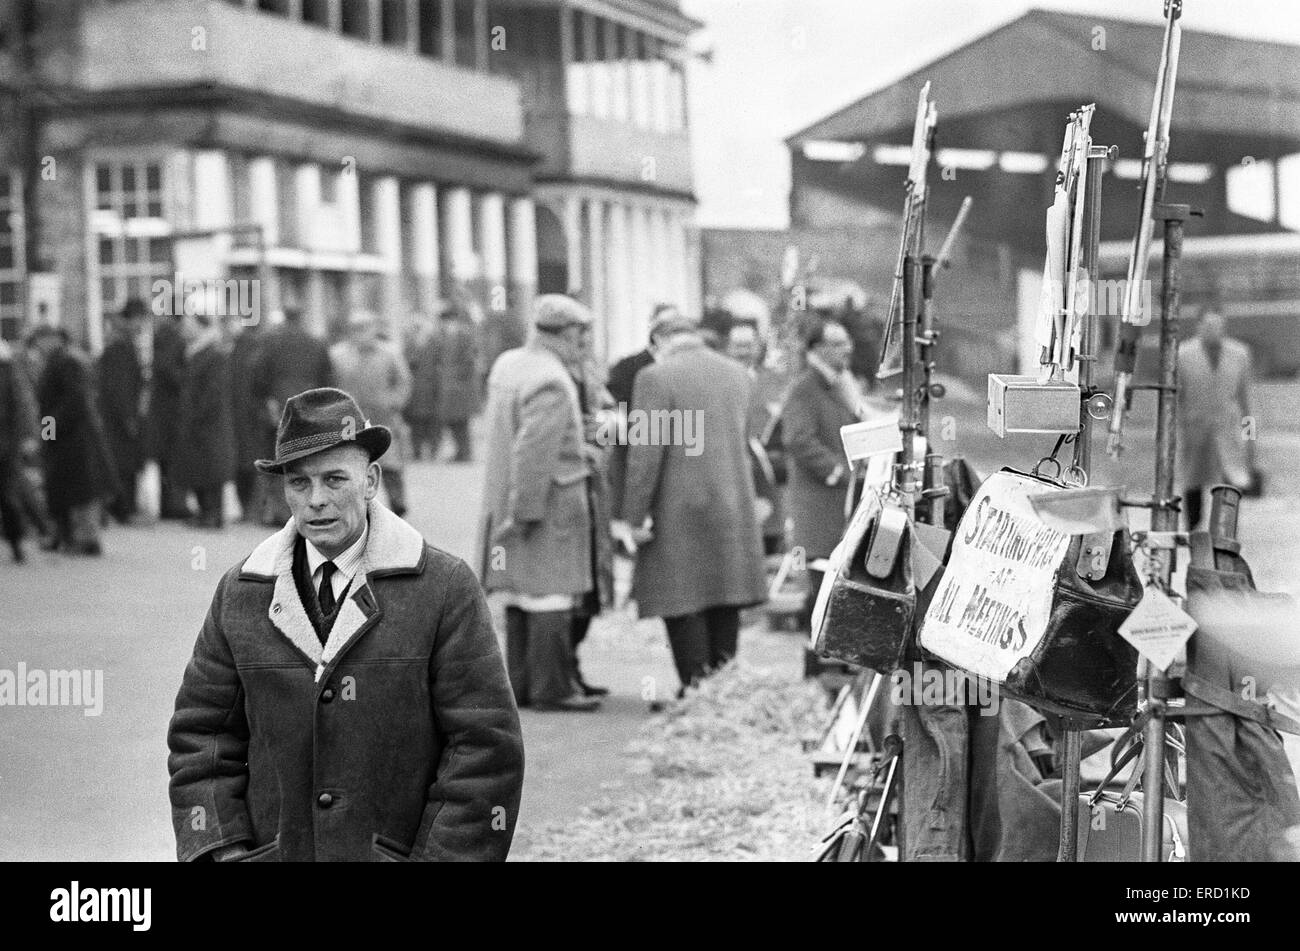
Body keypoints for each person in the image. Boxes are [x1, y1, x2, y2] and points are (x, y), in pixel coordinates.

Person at [167, 387, 524, 861]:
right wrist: (223, 850)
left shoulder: (443, 588)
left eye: (335, 479)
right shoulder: (243, 591)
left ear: (372, 480)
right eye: (299, 483)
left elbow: (484, 750)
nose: (316, 500)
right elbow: (202, 738)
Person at [618, 312, 767, 697]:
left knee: (681, 595)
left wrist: (634, 516)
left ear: (658, 341)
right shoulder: (738, 374)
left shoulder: (654, 377)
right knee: (725, 592)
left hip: (677, 506)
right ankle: (722, 686)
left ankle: (694, 687)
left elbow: (646, 453)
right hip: (732, 503)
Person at [478, 295, 604, 713]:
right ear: (567, 334)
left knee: (519, 594)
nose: (584, 342)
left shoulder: (509, 365)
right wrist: (525, 513)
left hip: (504, 496)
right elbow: (533, 453)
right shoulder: (552, 379)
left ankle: (521, 685)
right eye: (581, 333)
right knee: (552, 595)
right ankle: (553, 689)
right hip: (547, 505)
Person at [782, 319, 864, 628]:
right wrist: (837, 472)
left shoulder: (835, 384)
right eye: (839, 343)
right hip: (818, 504)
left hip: (834, 502)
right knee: (821, 581)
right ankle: (820, 657)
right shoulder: (806, 388)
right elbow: (797, 439)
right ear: (817, 349)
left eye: (847, 341)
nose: (849, 348)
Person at [27, 325, 118, 555]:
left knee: (80, 492)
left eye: (41, 340)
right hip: (68, 438)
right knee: (65, 489)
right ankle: (66, 537)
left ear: (54, 339)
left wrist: (48, 431)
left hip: (75, 439)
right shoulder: (60, 361)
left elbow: (72, 400)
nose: (38, 346)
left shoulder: (66, 362)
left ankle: (85, 539)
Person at [250, 304, 334, 525]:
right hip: (309, 410)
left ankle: (279, 511)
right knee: (307, 459)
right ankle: (308, 509)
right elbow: (329, 379)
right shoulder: (316, 343)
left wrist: (264, 401)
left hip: (278, 410)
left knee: (277, 459)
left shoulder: (270, 342)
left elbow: (257, 377)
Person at [1178, 309, 1255, 529]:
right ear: (1198, 327)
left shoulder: (1240, 353)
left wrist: (1251, 439)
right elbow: (1175, 400)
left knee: (1230, 481)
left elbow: (1247, 401)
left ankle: (1225, 530)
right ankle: (1193, 528)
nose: (1215, 331)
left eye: (1219, 326)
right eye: (1209, 326)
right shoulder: (1183, 354)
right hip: (1195, 431)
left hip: (1228, 431)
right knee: (1193, 481)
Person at [330, 312, 413, 516]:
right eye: (357, 329)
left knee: (390, 461)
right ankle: (353, 504)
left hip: (383, 416)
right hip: (349, 418)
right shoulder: (337, 355)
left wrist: (394, 402)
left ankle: (397, 501)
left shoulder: (390, 353)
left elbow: (403, 381)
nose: (362, 334)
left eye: (366, 328)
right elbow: (330, 382)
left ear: (374, 329)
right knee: (351, 461)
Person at [725, 319, 789, 556]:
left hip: (767, 469)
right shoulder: (721, 380)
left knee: (769, 538)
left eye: (748, 345)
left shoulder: (773, 380)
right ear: (728, 348)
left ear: (758, 347)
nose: (743, 351)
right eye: (738, 345)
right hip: (731, 466)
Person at [176, 304, 236, 529]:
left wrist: (196, 415)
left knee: (211, 470)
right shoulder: (196, 351)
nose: (184, 329)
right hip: (198, 422)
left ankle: (213, 514)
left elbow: (212, 393)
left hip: (208, 424)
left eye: (188, 325)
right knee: (199, 469)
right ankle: (204, 512)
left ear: (200, 327)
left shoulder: (212, 354)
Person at [97, 299, 148, 524]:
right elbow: (120, 387)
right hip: (119, 419)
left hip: (117, 417)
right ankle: (124, 510)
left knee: (123, 464)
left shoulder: (118, 341)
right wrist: (129, 418)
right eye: (141, 320)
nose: (143, 326)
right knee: (124, 465)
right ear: (133, 318)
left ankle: (121, 508)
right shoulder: (121, 345)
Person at [147, 304, 189, 520]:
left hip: (162, 409)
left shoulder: (161, 335)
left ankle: (169, 505)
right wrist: (187, 382)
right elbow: (171, 371)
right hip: (171, 410)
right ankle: (173, 506)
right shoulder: (173, 337)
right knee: (173, 459)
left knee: (167, 460)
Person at [0, 337, 39, 562]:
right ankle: (20, 541)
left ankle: (30, 534)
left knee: (13, 494)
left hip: (10, 445)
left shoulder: (14, 374)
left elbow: (37, 411)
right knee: (12, 494)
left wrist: (44, 436)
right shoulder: (13, 373)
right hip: (10, 445)